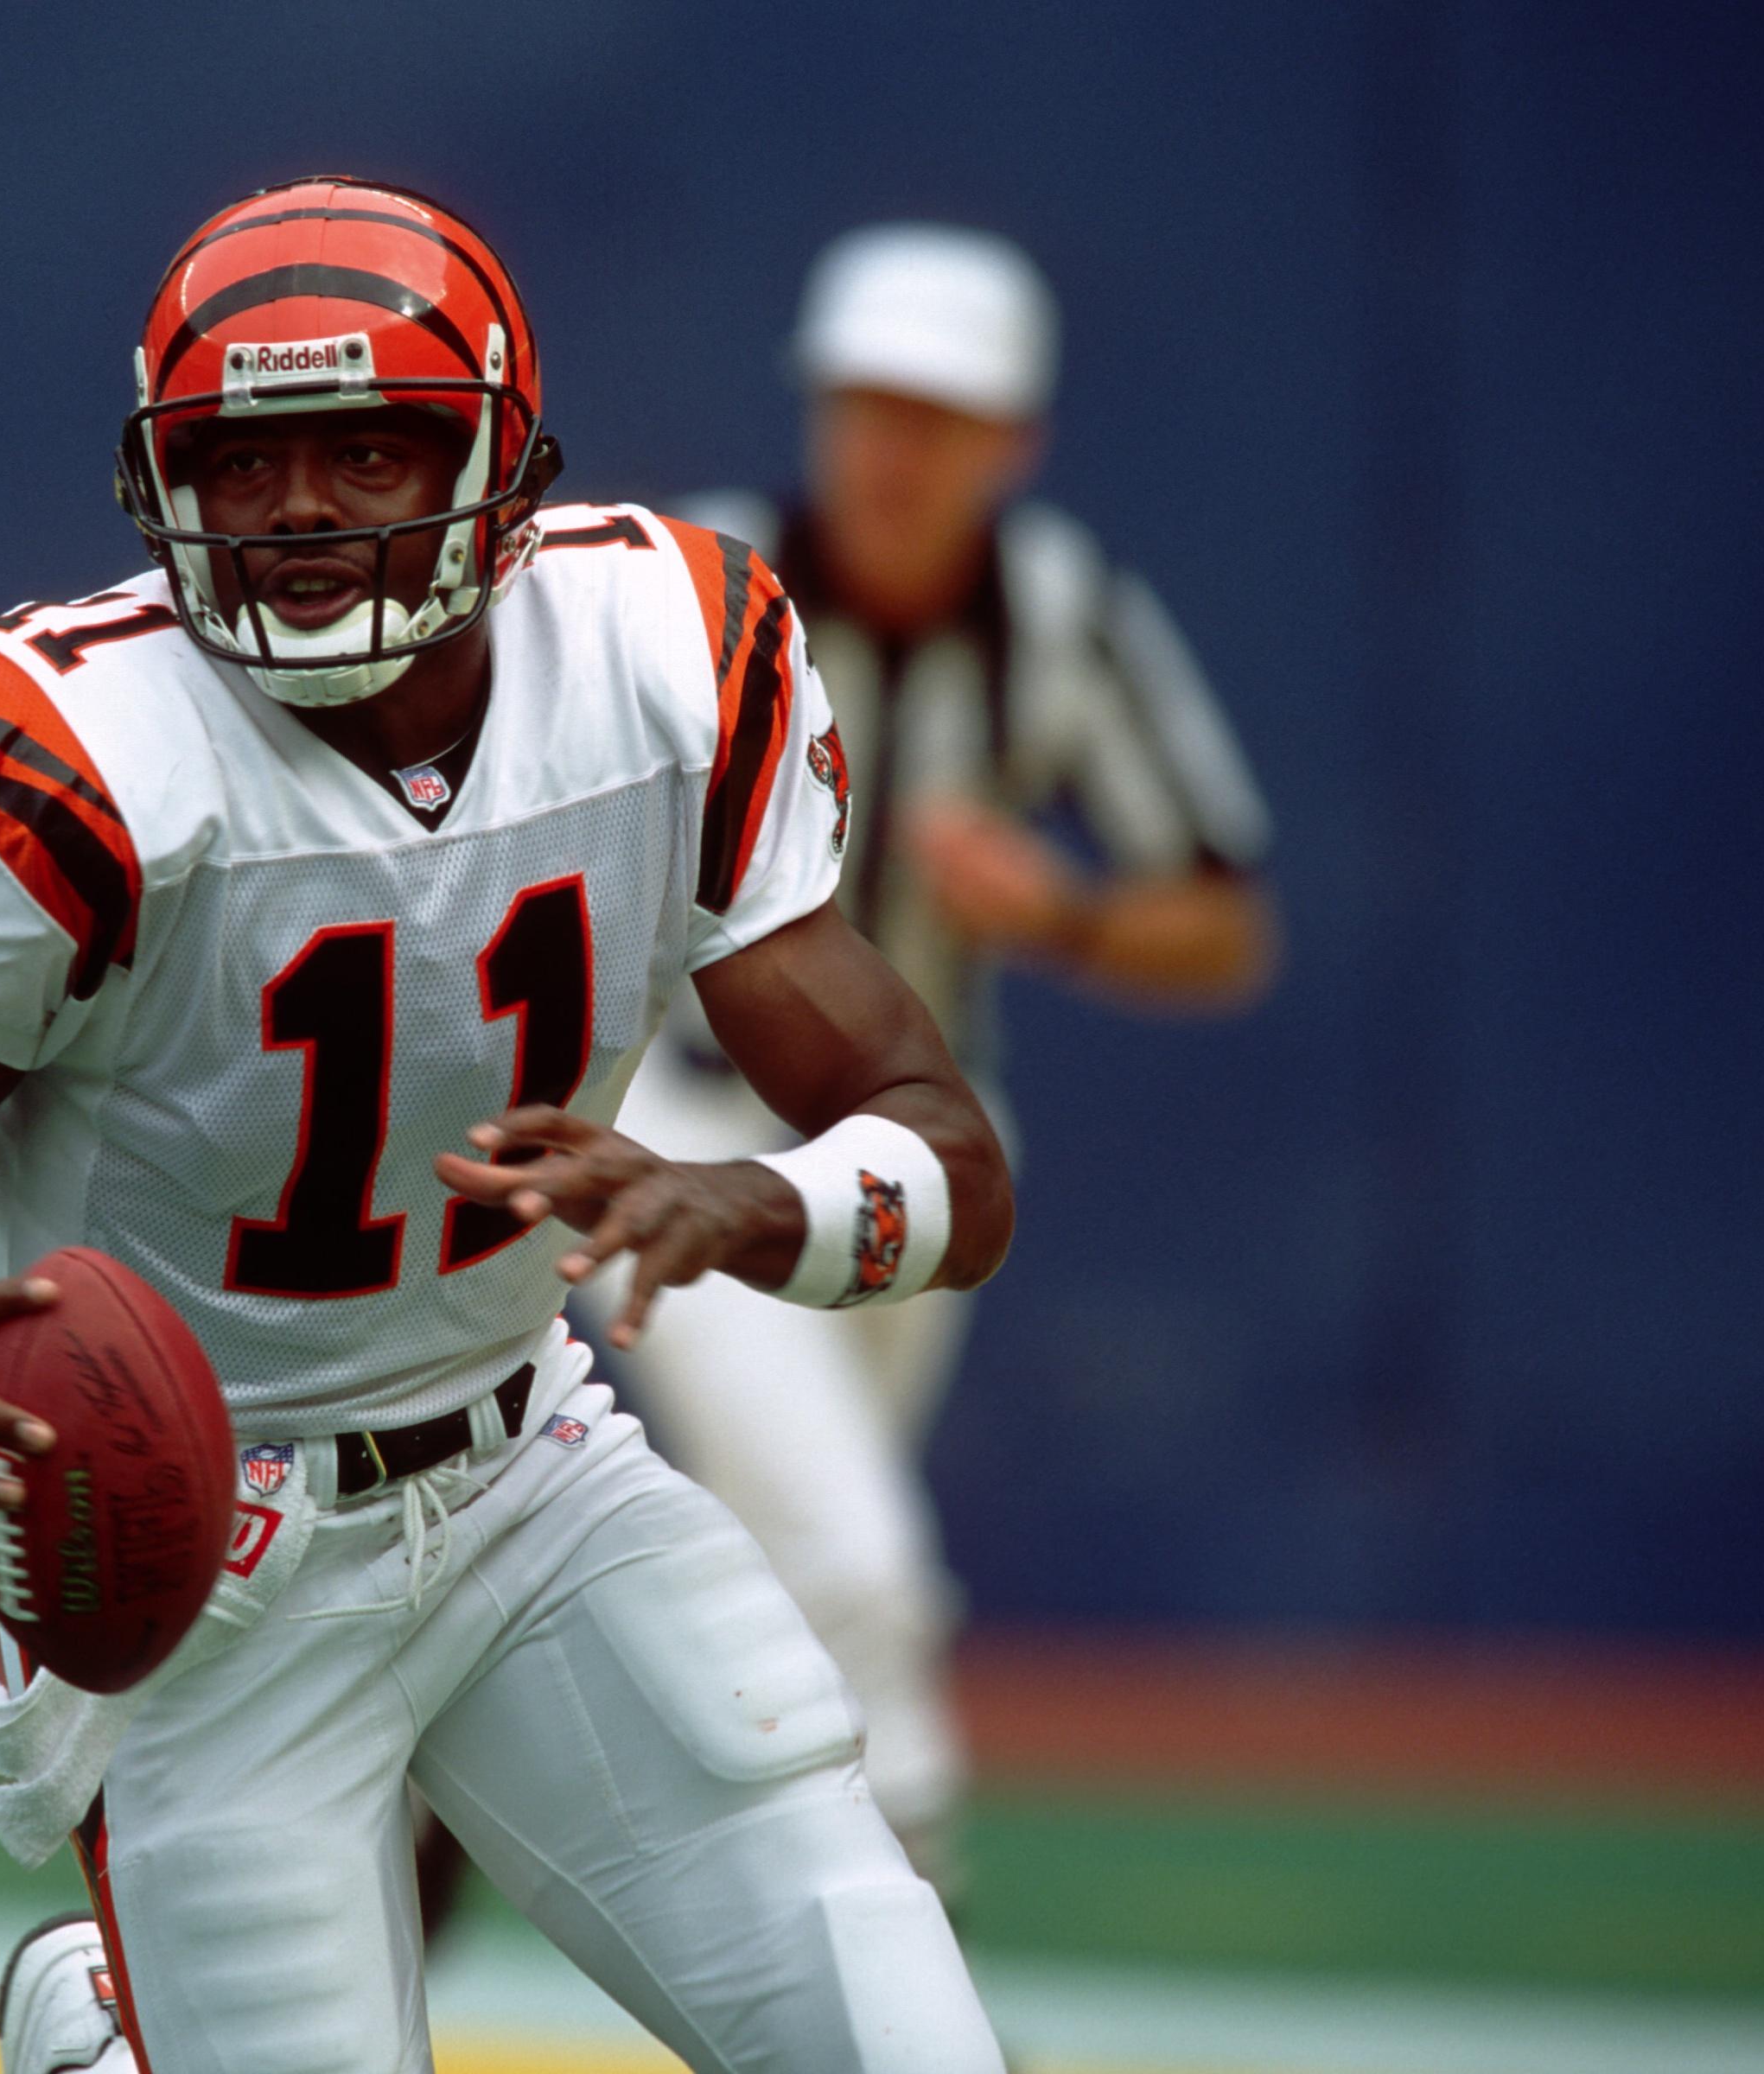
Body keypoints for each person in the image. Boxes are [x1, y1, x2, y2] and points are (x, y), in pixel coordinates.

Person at [0, 178, 1016, 2074]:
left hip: (533, 1481)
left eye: (372, 449)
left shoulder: (664, 653)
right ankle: (106, 2029)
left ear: (501, 464)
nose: (303, 512)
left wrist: (738, 1200)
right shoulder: (75, 763)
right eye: (246, 464)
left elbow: (942, 1161)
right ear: (165, 486)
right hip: (208, 1569)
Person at [576, 224, 1277, 1888]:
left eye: (940, 415)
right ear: (817, 408)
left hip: (917, 1151)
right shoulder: (694, 588)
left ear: (1012, 441)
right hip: (685, 1124)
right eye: (869, 404)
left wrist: (1063, 915)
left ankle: (448, 1824)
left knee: (775, 1589)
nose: (896, 449)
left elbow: (1228, 921)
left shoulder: (1062, 618)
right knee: (861, 1568)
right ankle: (928, 1974)